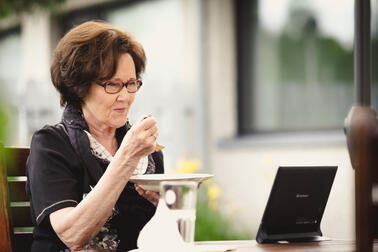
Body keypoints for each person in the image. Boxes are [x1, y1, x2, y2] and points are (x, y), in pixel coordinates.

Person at [26, 20, 163, 252]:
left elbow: (165, 240)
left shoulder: (144, 151)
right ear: (79, 87)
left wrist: (169, 207)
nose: (125, 97)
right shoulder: (51, 144)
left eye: (131, 83)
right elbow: (72, 235)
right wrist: (126, 156)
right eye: (112, 84)